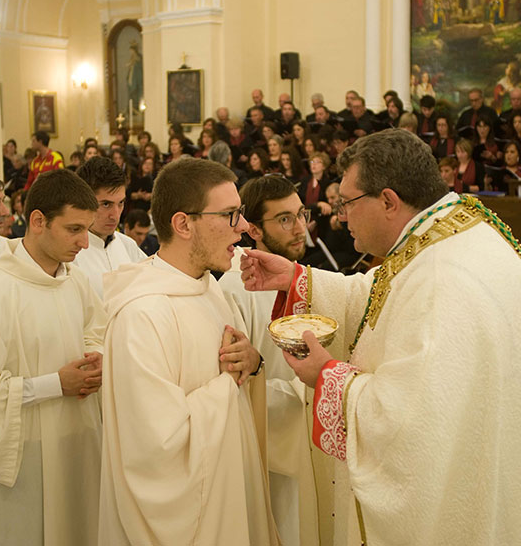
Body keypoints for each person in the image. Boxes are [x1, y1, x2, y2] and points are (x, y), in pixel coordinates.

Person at [240, 129, 521, 545]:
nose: (342, 217)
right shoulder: (453, 229)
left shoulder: (441, 279)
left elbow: (410, 423)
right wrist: (297, 277)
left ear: (389, 200)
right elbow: (382, 291)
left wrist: (328, 376)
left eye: (348, 204)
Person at [99, 158, 279, 546]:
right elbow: (155, 450)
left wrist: (252, 363)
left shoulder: (207, 288)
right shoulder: (142, 315)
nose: (245, 228)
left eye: (241, 214)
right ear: (183, 224)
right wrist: (227, 385)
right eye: (230, 215)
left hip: (228, 496)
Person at [0, 169, 105, 546]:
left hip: (78, 443)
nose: (85, 243)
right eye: (73, 229)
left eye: (87, 229)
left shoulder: (76, 281)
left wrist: (96, 355)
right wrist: (56, 384)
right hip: (23, 455)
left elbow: (96, 329)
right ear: (37, 221)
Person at [219, 176, 342, 546]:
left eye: (301, 215)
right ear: (253, 229)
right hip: (267, 446)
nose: (300, 228)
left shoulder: (314, 279)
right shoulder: (234, 286)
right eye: (285, 219)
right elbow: (234, 377)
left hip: (310, 435)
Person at [73, 157, 146, 298]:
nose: (115, 215)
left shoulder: (128, 245)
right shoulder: (69, 255)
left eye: (121, 203)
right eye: (106, 204)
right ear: (82, 201)